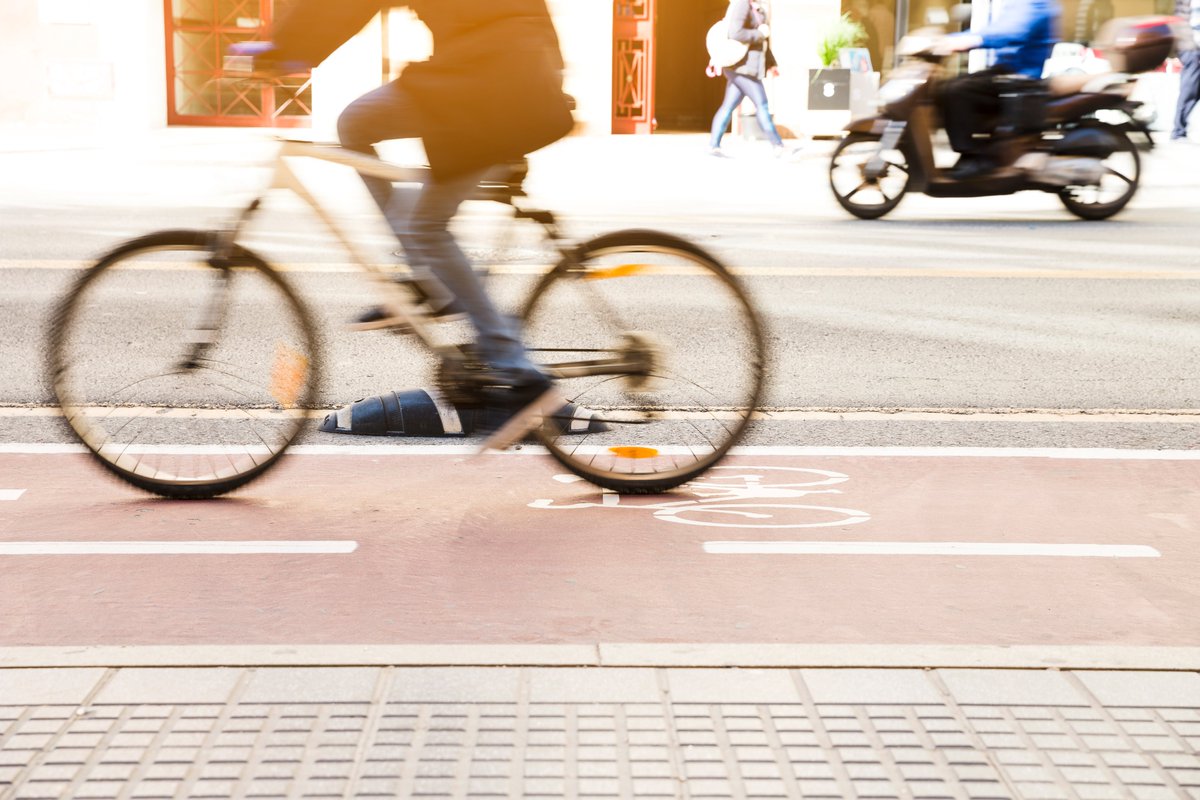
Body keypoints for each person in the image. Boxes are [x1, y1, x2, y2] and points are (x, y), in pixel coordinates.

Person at [237, 1, 574, 434]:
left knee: (426, 226)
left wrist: (280, 52)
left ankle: (514, 366)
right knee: (357, 125)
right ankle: (432, 282)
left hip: (490, 80)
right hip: (496, 72)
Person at [935, 0, 1061, 178]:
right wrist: (947, 40)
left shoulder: (1037, 4)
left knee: (957, 91)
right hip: (1004, 73)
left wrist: (969, 40)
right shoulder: (1017, 4)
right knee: (944, 87)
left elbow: (1012, 31)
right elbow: (996, 29)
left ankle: (976, 157)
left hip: (1020, 78)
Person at [707, 0, 793, 157]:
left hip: (747, 67)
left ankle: (714, 146)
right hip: (742, 67)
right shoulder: (742, 4)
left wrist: (771, 63)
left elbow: (764, 43)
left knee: (728, 106)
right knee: (762, 105)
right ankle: (778, 145)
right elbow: (735, 32)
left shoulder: (757, 7)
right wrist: (759, 34)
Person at [1172, 0, 1200, 142]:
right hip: (1193, 50)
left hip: (1192, 50)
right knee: (1189, 91)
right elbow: (1180, 23)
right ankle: (1178, 132)